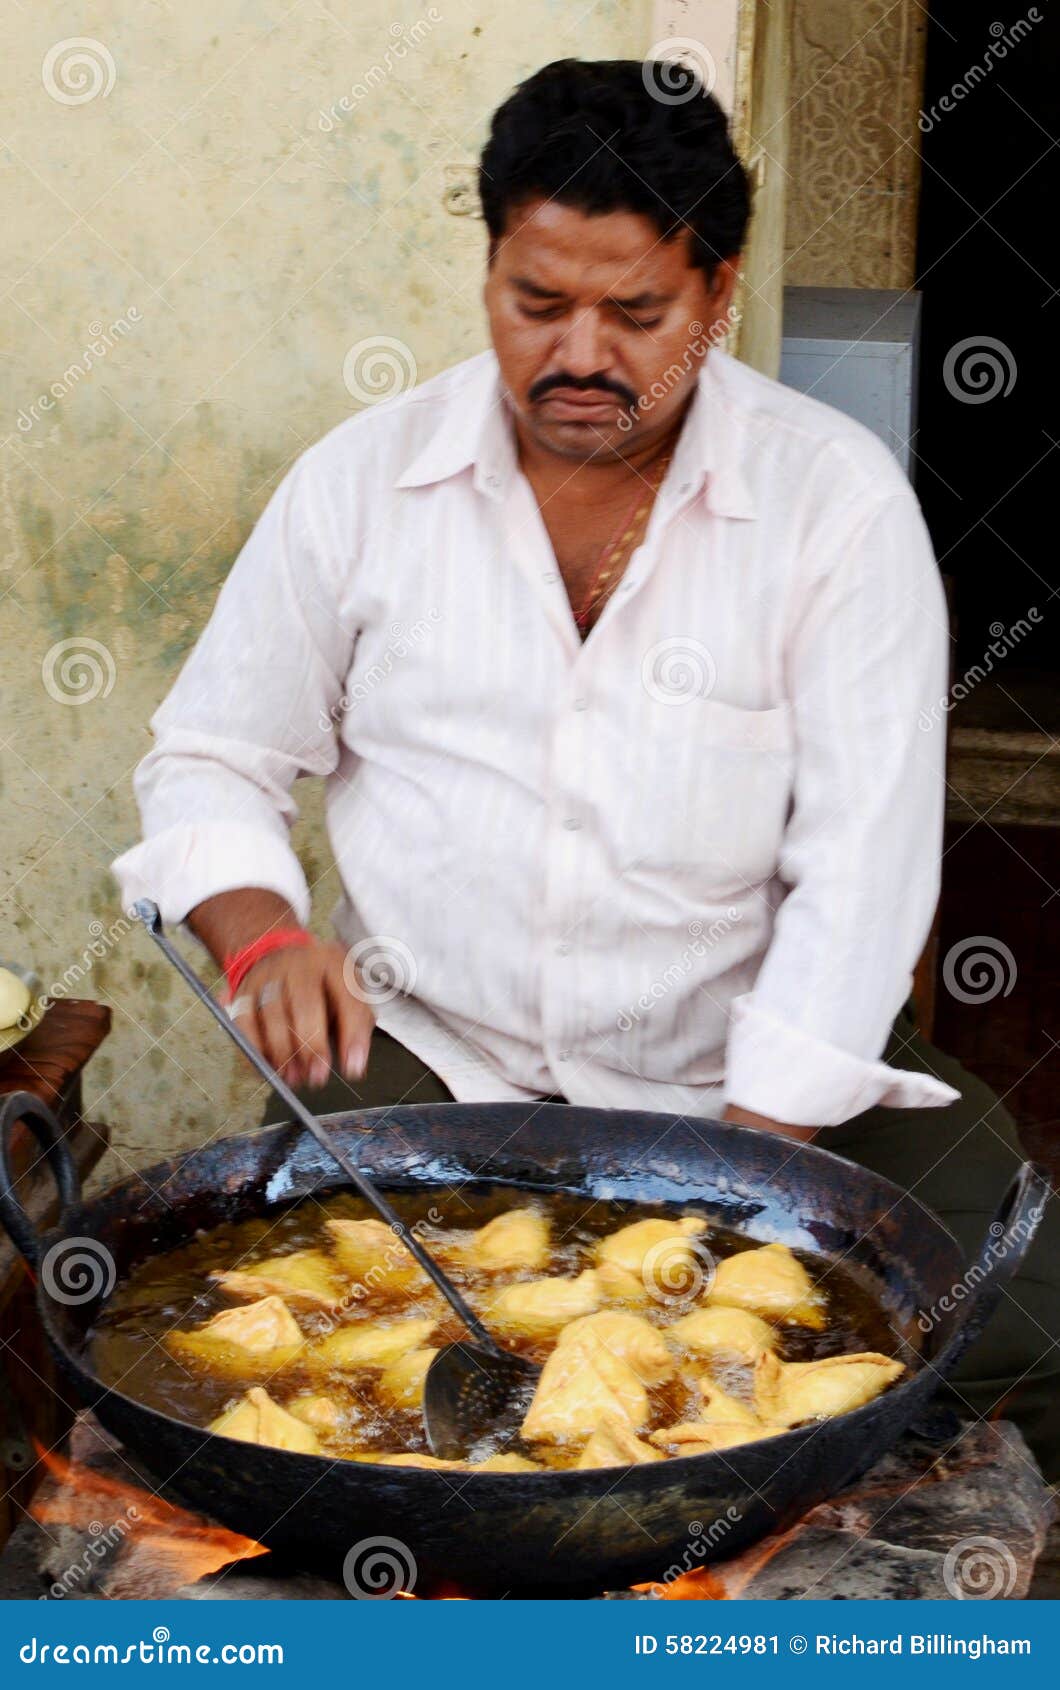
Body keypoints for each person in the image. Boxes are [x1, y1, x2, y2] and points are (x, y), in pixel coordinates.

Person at [112, 59, 1059, 1477]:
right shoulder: (363, 485)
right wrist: (262, 936)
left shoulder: (833, 506)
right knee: (321, 1376)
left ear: (719, 292)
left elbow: (863, 871)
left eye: (638, 314)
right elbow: (211, 755)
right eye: (536, 304)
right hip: (431, 1054)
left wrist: (733, 1194)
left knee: (1027, 1329)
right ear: (491, 267)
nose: (580, 355)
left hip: (743, 1074)